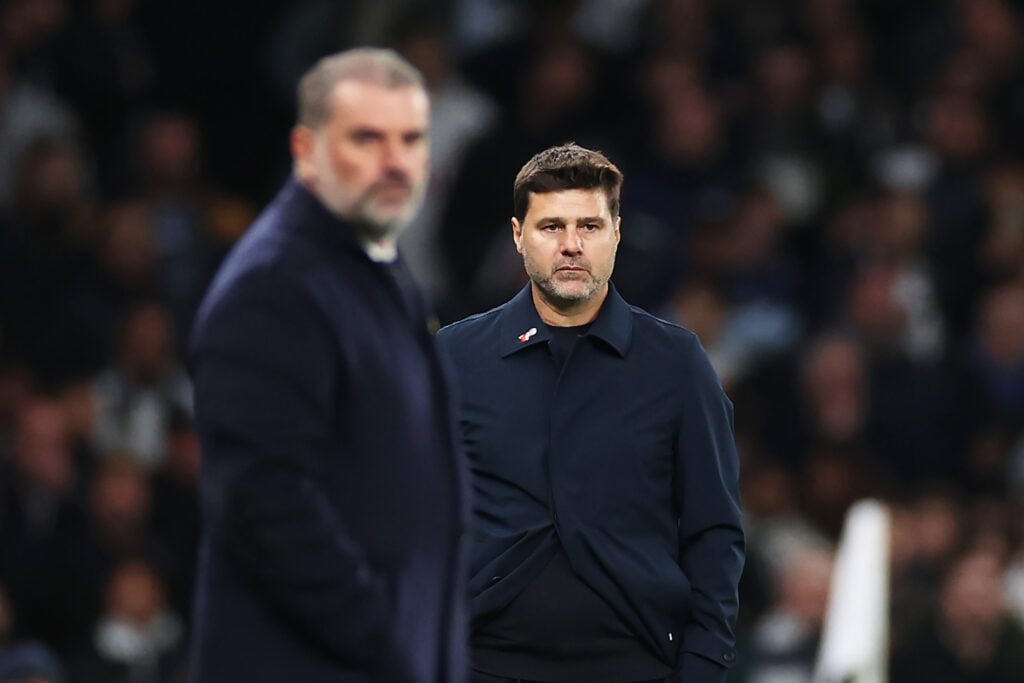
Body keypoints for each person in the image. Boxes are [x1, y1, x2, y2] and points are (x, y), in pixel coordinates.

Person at [188, 48, 468, 683]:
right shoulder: (273, 286)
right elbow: (265, 501)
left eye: (411, 139)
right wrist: (385, 637)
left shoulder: (377, 272)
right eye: (367, 139)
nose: (395, 162)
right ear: (306, 150)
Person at [436, 143, 745, 683]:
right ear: (518, 235)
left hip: (637, 666)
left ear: (617, 233)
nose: (572, 245)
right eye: (552, 226)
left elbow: (714, 531)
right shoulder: (456, 358)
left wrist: (702, 665)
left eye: (590, 226)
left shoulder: (675, 364)